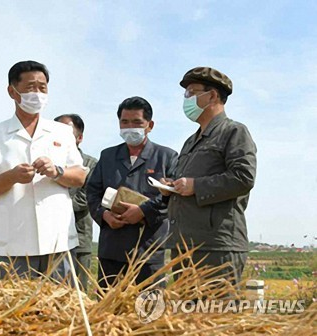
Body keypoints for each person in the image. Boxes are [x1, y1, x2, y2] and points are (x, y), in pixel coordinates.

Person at [0, 60, 87, 281]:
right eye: (30, 87)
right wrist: (12, 176)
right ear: (12, 91)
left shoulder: (62, 132)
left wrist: (57, 172)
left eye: (42, 87)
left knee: (60, 310)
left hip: (58, 241)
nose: (37, 93)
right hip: (13, 244)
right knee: (11, 311)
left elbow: (80, 176)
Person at [160, 67, 257, 287]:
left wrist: (196, 186)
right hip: (185, 245)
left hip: (215, 247)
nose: (186, 99)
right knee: (188, 318)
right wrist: (171, 188)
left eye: (191, 93)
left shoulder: (234, 132)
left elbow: (244, 177)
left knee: (215, 315)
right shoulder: (190, 141)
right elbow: (184, 185)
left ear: (212, 95)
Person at [87, 96, 178, 289]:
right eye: (124, 122)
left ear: (149, 125)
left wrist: (144, 211)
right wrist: (104, 215)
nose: (130, 127)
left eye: (137, 122)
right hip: (112, 248)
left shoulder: (166, 157)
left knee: (148, 311)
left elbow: (173, 199)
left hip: (148, 251)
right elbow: (92, 192)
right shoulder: (108, 156)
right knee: (109, 314)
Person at [54, 114, 98, 291]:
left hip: (79, 238)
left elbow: (86, 197)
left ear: (79, 138)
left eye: (67, 134)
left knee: (78, 293)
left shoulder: (90, 164)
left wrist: (54, 205)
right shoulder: (46, 163)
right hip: (49, 240)